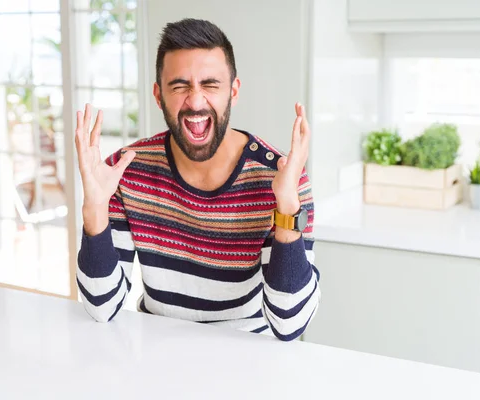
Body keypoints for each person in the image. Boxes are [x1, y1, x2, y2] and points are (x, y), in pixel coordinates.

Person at [74, 18, 320, 341]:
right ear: (158, 95)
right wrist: (94, 210)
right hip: (158, 359)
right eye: (179, 86)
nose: (195, 100)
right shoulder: (124, 172)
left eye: (210, 84)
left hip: (249, 363)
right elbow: (101, 306)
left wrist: (287, 207)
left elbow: (290, 324)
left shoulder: (282, 178)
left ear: (233, 91)